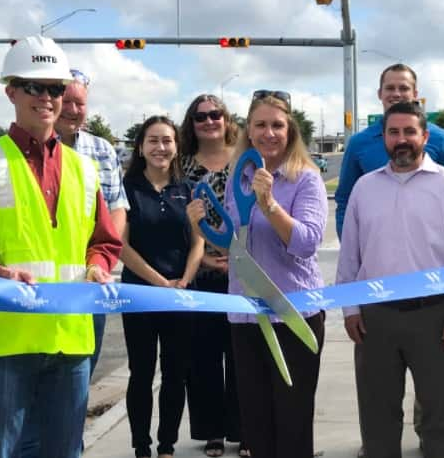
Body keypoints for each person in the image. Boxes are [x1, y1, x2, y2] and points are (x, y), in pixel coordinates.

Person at [0, 36, 123, 458]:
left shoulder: (84, 169)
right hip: (6, 342)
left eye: (55, 88)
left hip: (71, 339)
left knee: (65, 452)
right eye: (35, 86)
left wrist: (98, 265)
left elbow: (103, 240)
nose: (47, 98)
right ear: (11, 90)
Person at [336, 101, 444, 458]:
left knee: (442, 419)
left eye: (409, 132)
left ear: (425, 137)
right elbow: (350, 255)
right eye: (393, 132)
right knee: (377, 417)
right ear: (384, 138)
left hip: (438, 319)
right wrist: (350, 309)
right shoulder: (365, 188)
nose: (401, 140)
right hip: (375, 320)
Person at [190, 90, 328, 458]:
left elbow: (306, 243)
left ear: (291, 130)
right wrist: (202, 228)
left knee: (293, 419)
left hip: (294, 312)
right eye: (261, 125)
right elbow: (235, 248)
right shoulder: (241, 175)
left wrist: (269, 205)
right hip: (246, 315)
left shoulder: (306, 179)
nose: (269, 133)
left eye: (277, 125)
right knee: (255, 422)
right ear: (248, 131)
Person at [120, 116, 203, 458]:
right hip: (139, 294)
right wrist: (158, 282)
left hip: (180, 294)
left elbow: (199, 242)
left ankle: (167, 445)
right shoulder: (127, 188)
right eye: (153, 140)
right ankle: (142, 446)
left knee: (175, 374)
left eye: (167, 140)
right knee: (140, 373)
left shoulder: (188, 190)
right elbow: (121, 246)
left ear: (176, 146)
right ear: (141, 147)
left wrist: (184, 279)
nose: (160, 147)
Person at [177, 94, 243, 458]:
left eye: (215, 114)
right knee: (202, 358)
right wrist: (202, 261)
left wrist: (237, 258)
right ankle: (212, 431)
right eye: (200, 117)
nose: (209, 121)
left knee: (242, 355)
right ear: (192, 123)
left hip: (242, 272)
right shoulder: (181, 166)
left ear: (226, 118)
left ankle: (244, 429)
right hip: (199, 273)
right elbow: (177, 219)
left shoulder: (245, 161)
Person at [55, 68, 130, 378]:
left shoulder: (101, 150)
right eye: (67, 100)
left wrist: (99, 263)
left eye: (80, 103)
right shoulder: (21, 150)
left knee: (80, 373)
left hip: (90, 282)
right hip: (40, 284)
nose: (73, 110)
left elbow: (117, 209)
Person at [335, 63, 444, 239]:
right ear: (380, 94)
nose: (396, 94)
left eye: (404, 88)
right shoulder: (359, 143)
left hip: (431, 247)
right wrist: (350, 247)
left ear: (415, 94)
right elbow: (345, 199)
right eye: (390, 88)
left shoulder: (440, 139)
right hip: (377, 247)